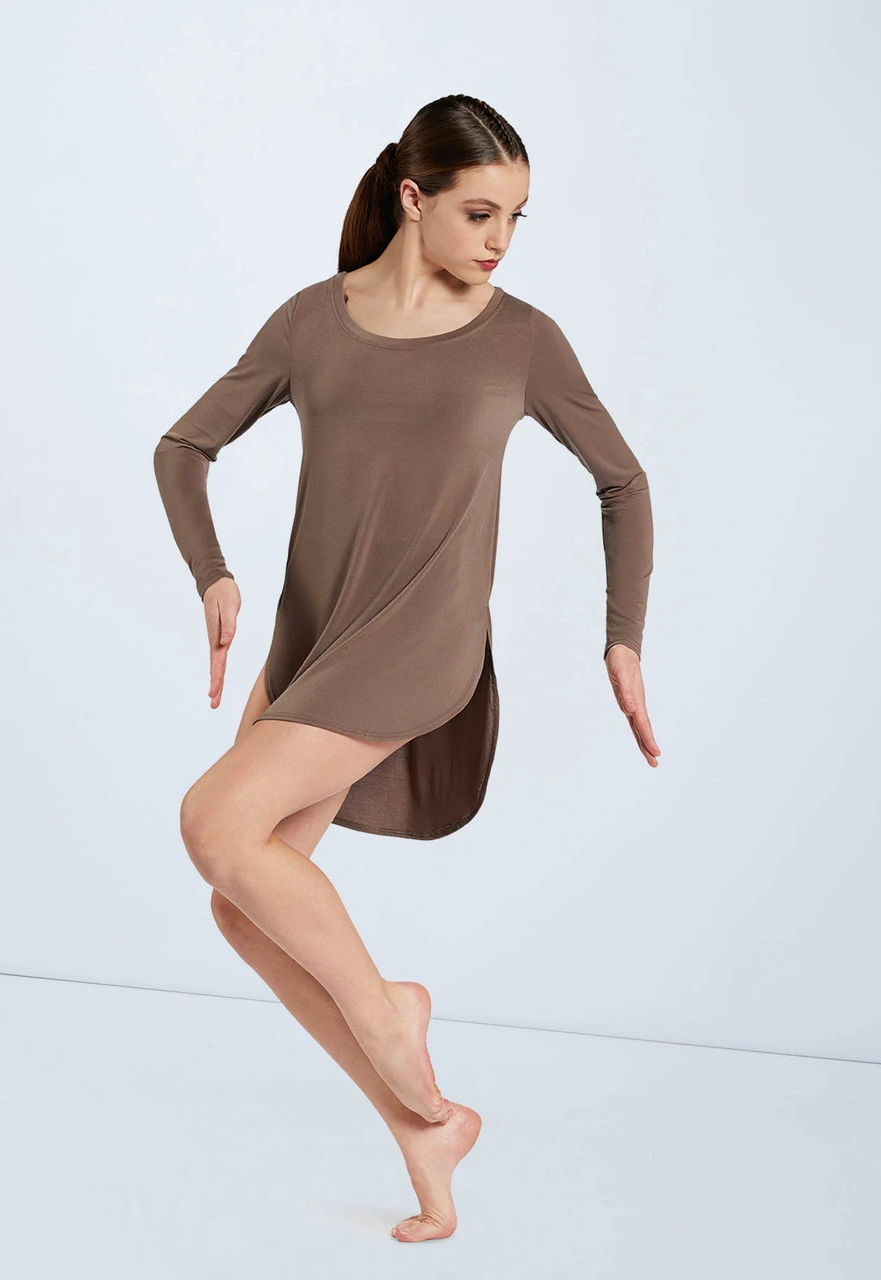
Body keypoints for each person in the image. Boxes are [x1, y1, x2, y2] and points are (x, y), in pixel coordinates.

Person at [153, 92, 658, 1244]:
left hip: (420, 641)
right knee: (242, 905)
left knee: (213, 825)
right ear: (412, 198)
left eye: (518, 217)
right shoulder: (309, 323)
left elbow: (622, 480)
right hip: (312, 640)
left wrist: (622, 632)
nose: (500, 240)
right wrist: (213, 574)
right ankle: (423, 1124)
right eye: (480, 212)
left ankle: (390, 1010)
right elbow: (182, 447)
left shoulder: (523, 339)